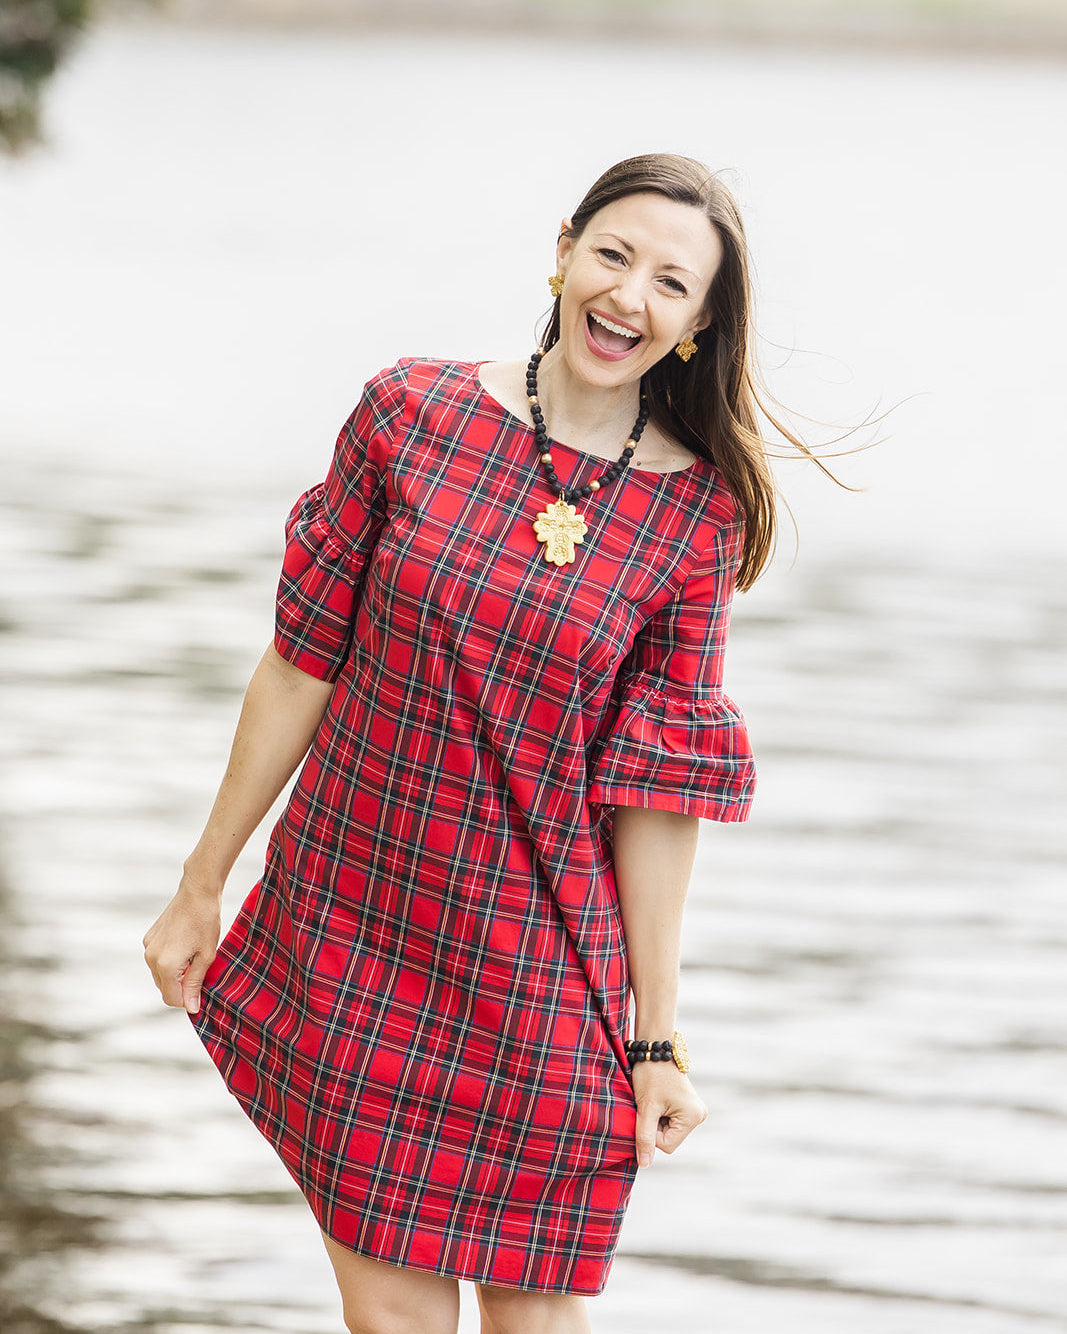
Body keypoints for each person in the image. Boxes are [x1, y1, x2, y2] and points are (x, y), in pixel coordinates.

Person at [144, 152, 781, 1334]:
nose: (628, 297)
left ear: (697, 323)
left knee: (535, 1319)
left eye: (670, 283)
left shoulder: (696, 516)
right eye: (614, 254)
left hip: (539, 961)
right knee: (389, 1316)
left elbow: (656, 794)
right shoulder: (409, 413)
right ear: (562, 248)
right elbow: (299, 660)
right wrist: (200, 881)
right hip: (352, 922)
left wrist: (652, 1033)